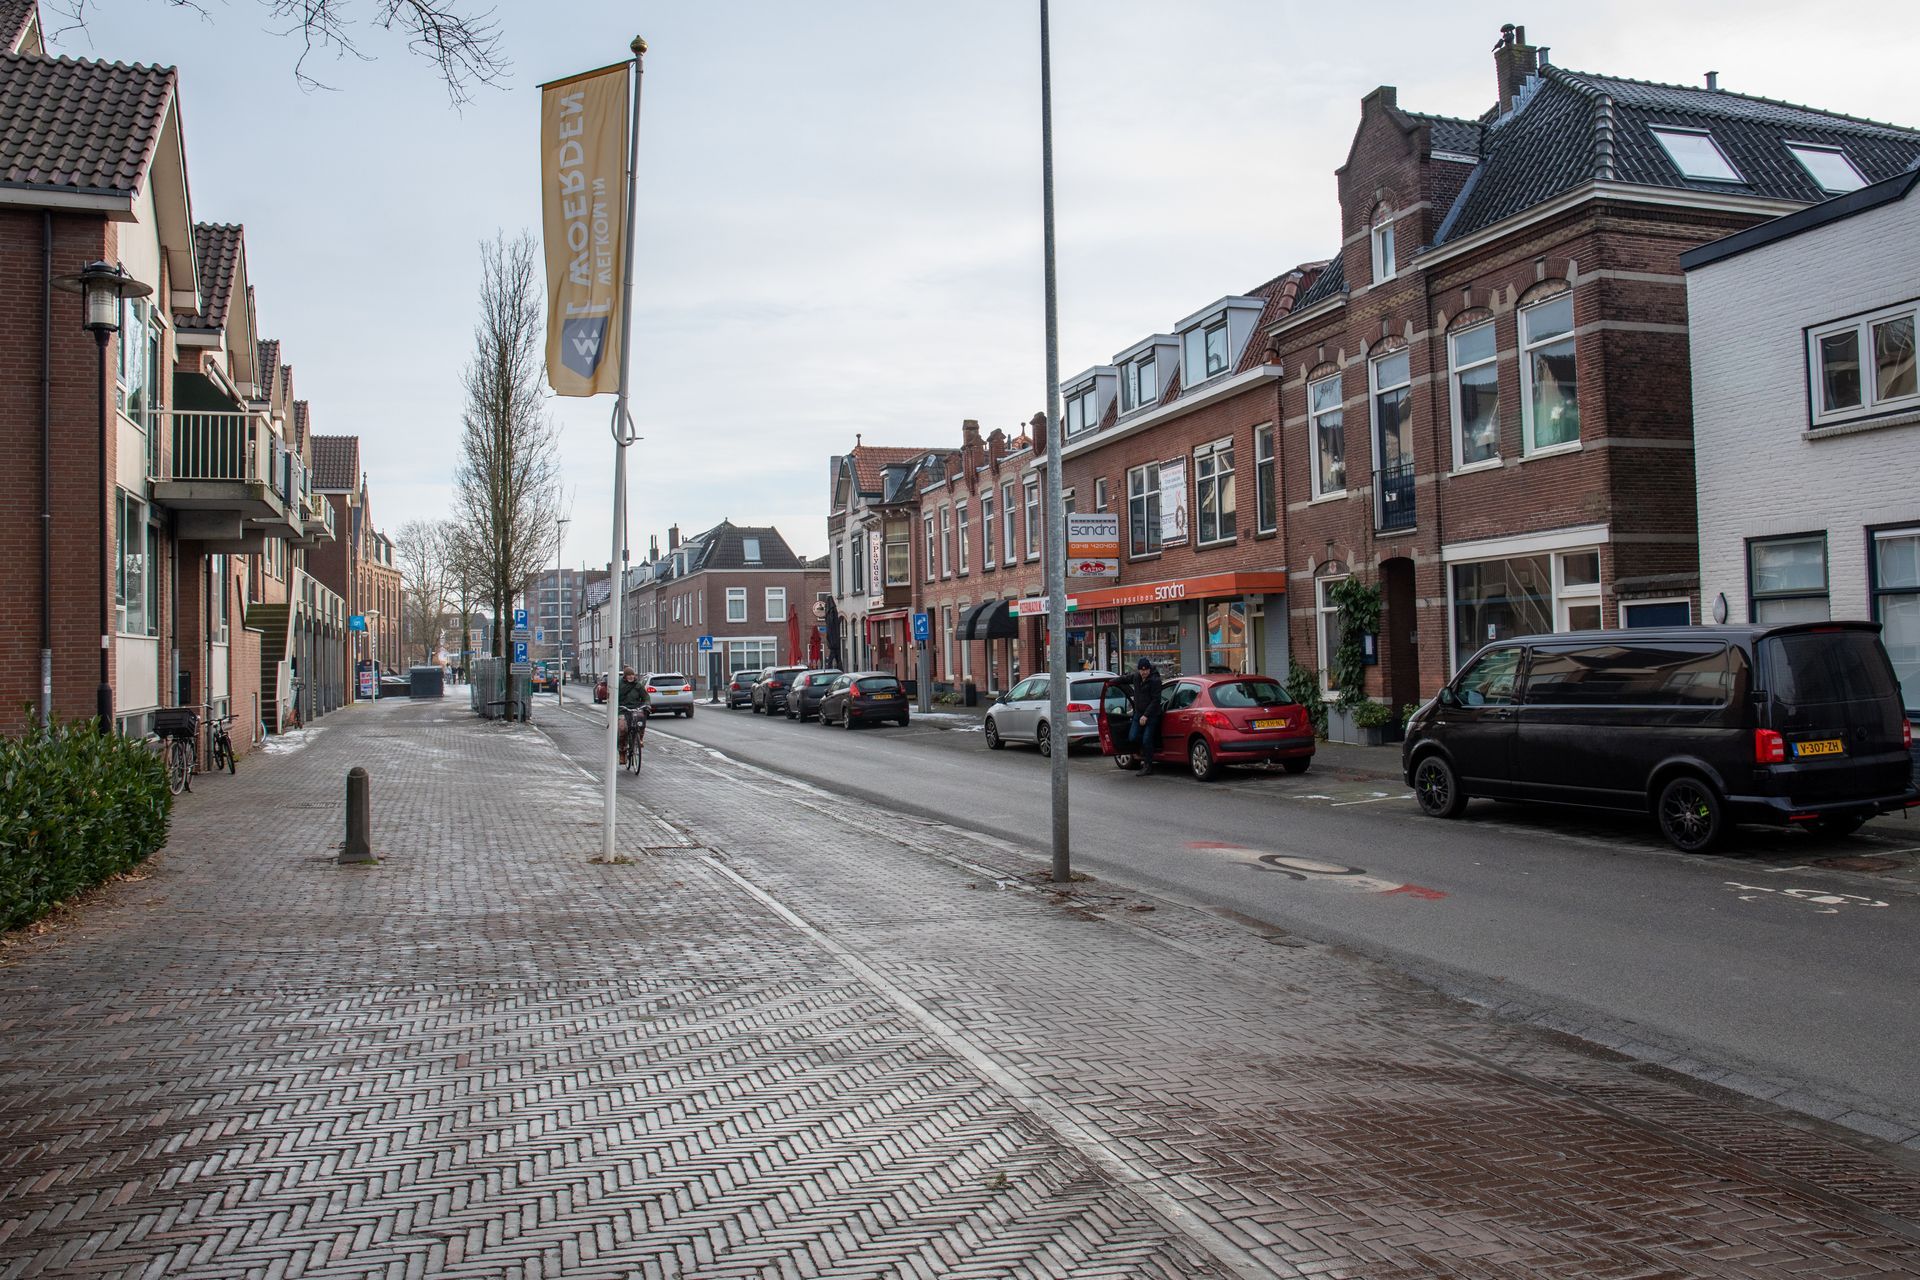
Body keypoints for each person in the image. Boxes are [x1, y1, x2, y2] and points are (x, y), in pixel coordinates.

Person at [1113, 658, 1164, 775]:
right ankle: (1147, 748)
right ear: (1139, 670)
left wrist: (1146, 715)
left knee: (1146, 739)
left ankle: (1148, 765)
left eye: (1146, 670)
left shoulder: (1155, 681)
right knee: (1132, 737)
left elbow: (1156, 700)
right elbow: (1125, 679)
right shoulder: (1136, 677)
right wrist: (1112, 681)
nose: (1144, 672)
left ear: (1149, 669)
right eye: (1142, 670)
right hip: (1138, 713)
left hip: (1151, 715)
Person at [617, 666, 648, 764]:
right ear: (625, 676)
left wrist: (647, 705)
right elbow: (615, 696)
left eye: (632, 675)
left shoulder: (638, 685)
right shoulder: (620, 685)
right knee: (622, 729)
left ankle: (640, 739)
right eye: (629, 675)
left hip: (635, 708)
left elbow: (646, 696)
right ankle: (622, 752)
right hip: (623, 709)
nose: (631, 677)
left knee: (641, 720)